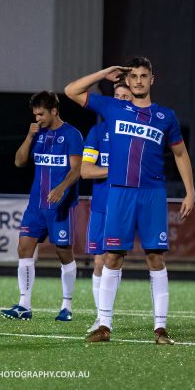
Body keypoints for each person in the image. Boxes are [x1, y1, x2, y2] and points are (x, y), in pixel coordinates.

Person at [65, 57, 195, 344]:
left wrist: (190, 191)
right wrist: (103, 73)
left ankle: (160, 328)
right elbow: (71, 91)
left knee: (155, 257)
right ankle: (104, 325)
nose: (138, 81)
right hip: (120, 192)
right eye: (133, 76)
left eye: (143, 76)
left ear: (152, 79)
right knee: (112, 256)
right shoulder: (114, 107)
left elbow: (180, 154)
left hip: (152, 193)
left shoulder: (166, 116)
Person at [0, 91, 83, 321]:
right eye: (35, 114)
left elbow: (77, 170)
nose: (38, 118)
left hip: (60, 206)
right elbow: (18, 162)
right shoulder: (37, 134)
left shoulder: (72, 135)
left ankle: (66, 307)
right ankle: (24, 305)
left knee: (63, 252)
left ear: (54, 111)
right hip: (36, 205)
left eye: (41, 114)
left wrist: (62, 188)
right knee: (24, 249)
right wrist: (28, 137)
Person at [82, 82, 132, 333]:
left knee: (118, 260)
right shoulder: (98, 132)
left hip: (127, 205)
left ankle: (107, 316)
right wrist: (115, 171)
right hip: (102, 205)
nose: (121, 100)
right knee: (99, 260)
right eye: (117, 96)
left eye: (126, 97)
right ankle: (101, 318)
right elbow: (86, 170)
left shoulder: (136, 133)